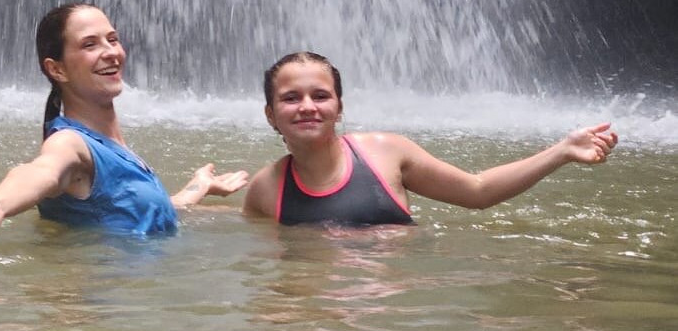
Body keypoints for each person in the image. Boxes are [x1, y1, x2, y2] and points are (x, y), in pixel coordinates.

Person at [0, 3, 248, 238]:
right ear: (57, 70)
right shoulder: (69, 142)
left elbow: (145, 211)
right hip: (107, 293)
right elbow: (43, 171)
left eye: (113, 39)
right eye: (90, 45)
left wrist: (198, 187)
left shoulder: (110, 148)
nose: (111, 52)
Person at [243, 51, 618, 226]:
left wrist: (562, 151)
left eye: (320, 96)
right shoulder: (265, 189)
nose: (307, 107)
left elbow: (477, 191)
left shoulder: (386, 153)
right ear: (270, 115)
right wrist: (206, 195)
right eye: (291, 98)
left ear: (339, 107)